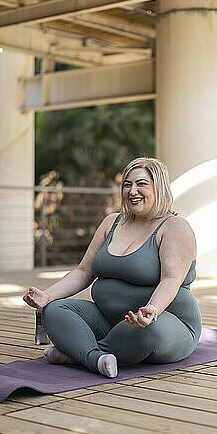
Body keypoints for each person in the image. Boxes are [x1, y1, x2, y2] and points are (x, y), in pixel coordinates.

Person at [23, 157, 202, 378]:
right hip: (108, 320)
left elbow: (171, 280)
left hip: (162, 321)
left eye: (141, 184)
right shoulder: (112, 222)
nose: (132, 191)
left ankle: (76, 354)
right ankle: (95, 358)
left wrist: (152, 310)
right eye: (127, 184)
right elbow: (83, 271)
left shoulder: (175, 226)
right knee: (55, 310)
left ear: (159, 187)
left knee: (146, 331)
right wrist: (47, 296)